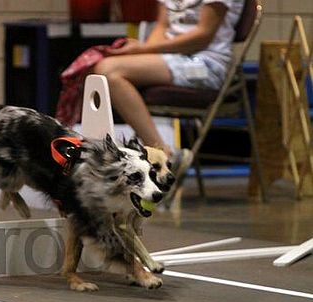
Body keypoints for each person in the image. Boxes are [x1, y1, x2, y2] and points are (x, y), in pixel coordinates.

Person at [92, 0, 244, 188]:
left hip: (205, 63)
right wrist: (139, 54)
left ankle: (162, 154)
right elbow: (162, 27)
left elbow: (203, 36)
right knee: (104, 71)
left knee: (108, 71)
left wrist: (143, 50)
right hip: (171, 56)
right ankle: (157, 157)